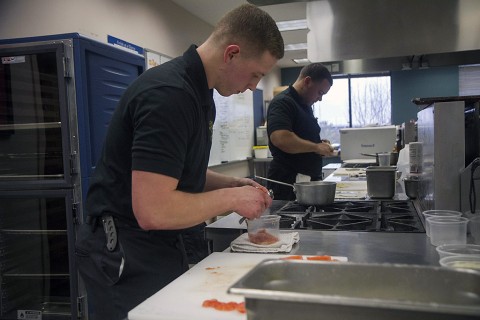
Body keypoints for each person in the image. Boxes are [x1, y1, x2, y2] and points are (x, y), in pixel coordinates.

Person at [75, 4, 283, 320]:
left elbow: (176, 172)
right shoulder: (169, 95)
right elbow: (153, 209)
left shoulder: (201, 96)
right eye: (256, 74)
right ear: (231, 54)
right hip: (124, 249)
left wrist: (233, 183)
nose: (254, 86)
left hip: (159, 243)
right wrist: (232, 198)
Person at [266, 63, 334, 200]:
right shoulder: (283, 103)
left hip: (305, 182)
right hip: (288, 184)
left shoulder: (305, 105)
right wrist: (315, 147)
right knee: (290, 221)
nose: (320, 99)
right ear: (307, 81)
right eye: (320, 92)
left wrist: (318, 143)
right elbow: (281, 138)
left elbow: (300, 135)